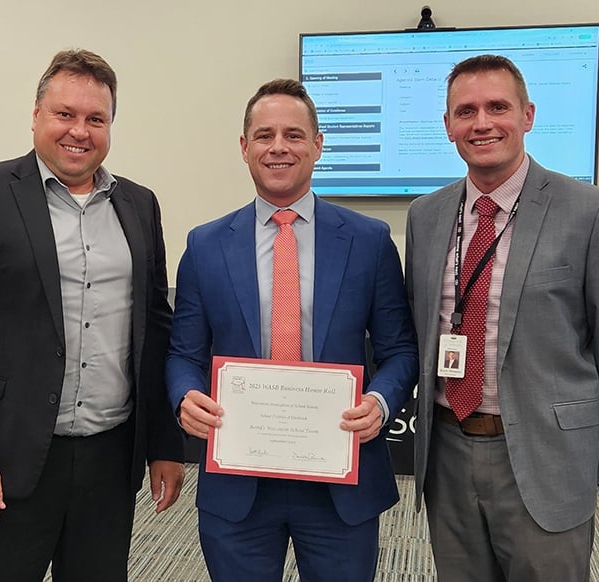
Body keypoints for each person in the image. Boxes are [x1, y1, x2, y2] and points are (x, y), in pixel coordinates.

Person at [0, 48, 185, 582]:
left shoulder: (139, 204)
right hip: (3, 458)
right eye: (65, 114)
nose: (79, 131)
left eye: (96, 118)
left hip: (110, 461)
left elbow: (154, 328)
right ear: (36, 115)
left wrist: (164, 444)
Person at [405, 54, 599, 581]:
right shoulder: (425, 216)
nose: (482, 122)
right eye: (466, 111)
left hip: (547, 457)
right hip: (447, 454)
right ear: (448, 126)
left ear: (528, 115)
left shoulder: (593, 212)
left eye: (498, 106)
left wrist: (581, 453)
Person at [167, 78, 418, 582]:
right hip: (239, 479)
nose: (278, 146)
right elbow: (182, 354)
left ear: (318, 145)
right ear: (244, 148)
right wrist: (184, 396)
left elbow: (401, 351)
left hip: (339, 482)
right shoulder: (206, 244)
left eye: (294, 135)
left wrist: (382, 402)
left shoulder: (369, 242)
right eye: (263, 135)